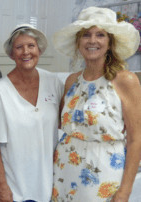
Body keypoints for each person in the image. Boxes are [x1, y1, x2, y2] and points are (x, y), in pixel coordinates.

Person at [51, 7, 141, 202]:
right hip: (64, 171)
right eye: (86, 35)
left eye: (100, 35)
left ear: (110, 43)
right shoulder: (71, 81)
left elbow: (136, 139)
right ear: (78, 42)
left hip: (102, 176)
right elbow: (62, 125)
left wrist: (124, 192)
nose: (92, 41)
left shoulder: (126, 80)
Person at [0, 24, 64, 202]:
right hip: (14, 187)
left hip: (49, 182)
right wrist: (2, 187)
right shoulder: (0, 92)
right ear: (11, 54)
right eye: (19, 47)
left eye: (31, 46)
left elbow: (65, 122)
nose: (26, 52)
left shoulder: (54, 82)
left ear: (39, 49)